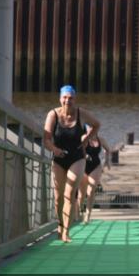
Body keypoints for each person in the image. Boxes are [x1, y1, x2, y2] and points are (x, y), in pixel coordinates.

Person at [43, 85, 99, 243]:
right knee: (58, 196)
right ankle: (60, 226)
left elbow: (97, 124)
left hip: (77, 157)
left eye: (71, 98)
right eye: (65, 97)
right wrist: (54, 149)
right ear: (60, 98)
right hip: (59, 157)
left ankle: (66, 232)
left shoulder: (81, 114)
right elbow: (46, 139)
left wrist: (87, 139)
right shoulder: (53, 114)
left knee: (69, 194)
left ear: (75, 99)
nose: (67, 101)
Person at [79, 125, 111, 223]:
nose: (91, 131)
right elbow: (77, 149)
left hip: (96, 166)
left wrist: (107, 161)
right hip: (83, 166)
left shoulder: (100, 139)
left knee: (91, 190)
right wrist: (85, 155)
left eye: (93, 129)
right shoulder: (84, 138)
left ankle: (88, 215)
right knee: (82, 193)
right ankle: (80, 210)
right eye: (89, 129)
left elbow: (108, 149)